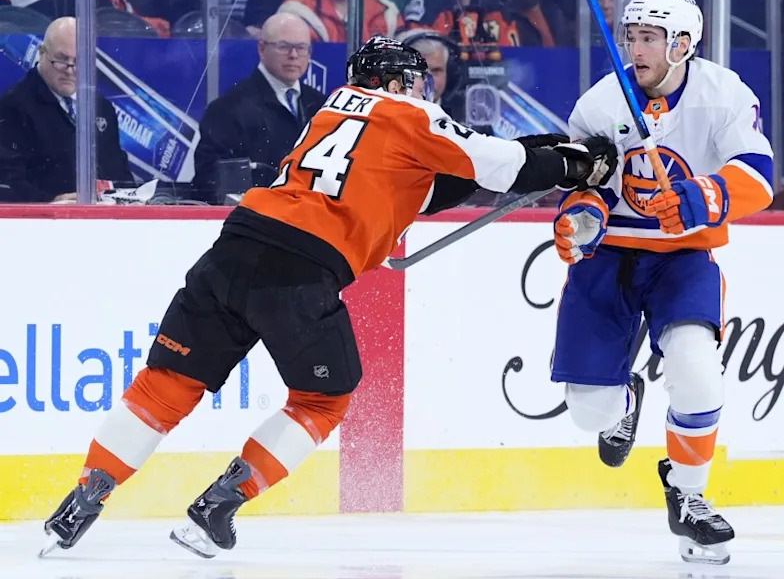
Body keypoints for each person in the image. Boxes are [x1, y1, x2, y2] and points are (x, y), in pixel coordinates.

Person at [40, 36, 616, 559]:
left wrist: (552, 154)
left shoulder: (330, 108)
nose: (420, 93)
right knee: (323, 400)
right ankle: (218, 505)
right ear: (396, 83)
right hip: (301, 269)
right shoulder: (407, 112)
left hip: (233, 249)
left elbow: (417, 190)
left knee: (168, 381)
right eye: (413, 82)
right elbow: (500, 165)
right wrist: (576, 164)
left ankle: (81, 500)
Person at [549, 0, 774, 565]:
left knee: (699, 375)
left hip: (682, 259)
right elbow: (591, 181)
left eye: (649, 37)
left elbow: (759, 174)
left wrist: (707, 195)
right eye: (631, 35)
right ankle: (624, 402)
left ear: (683, 44)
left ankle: (689, 495)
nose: (635, 47)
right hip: (610, 262)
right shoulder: (602, 102)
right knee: (589, 414)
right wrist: (583, 217)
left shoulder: (723, 94)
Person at [191, 12, 327, 203]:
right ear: (262, 49)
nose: (294, 55)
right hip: (255, 220)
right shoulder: (228, 108)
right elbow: (209, 180)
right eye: (284, 46)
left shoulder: (322, 105)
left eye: (301, 47)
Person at [0, 16, 132, 203]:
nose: (70, 70)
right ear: (42, 53)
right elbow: (8, 182)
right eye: (61, 59)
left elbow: (119, 170)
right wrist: (51, 202)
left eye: (78, 61)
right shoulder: (13, 106)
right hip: (44, 224)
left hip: (103, 221)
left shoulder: (101, 106)